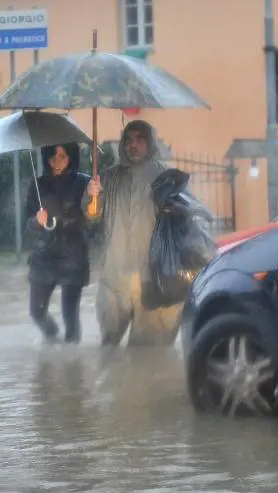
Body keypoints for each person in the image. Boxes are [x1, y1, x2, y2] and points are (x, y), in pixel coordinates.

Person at [84, 120, 182, 347]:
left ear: (150, 143)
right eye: (128, 140)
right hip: (114, 277)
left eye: (140, 139)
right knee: (109, 346)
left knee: (145, 352)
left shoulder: (164, 178)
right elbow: (92, 215)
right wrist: (92, 196)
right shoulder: (107, 178)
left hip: (151, 278)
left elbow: (181, 222)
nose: (133, 145)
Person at [25, 143, 91, 344]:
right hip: (44, 255)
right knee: (36, 311)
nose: (57, 161)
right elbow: (29, 223)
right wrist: (37, 220)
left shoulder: (84, 183)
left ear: (71, 156)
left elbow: (93, 215)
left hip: (74, 255)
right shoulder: (38, 185)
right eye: (52, 156)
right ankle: (52, 339)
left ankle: (72, 364)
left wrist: (94, 196)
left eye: (62, 155)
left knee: (70, 316)